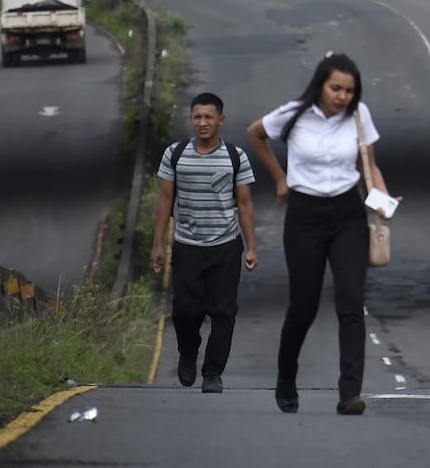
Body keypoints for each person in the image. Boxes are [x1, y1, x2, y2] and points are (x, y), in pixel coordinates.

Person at [246, 52, 397, 416]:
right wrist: (280, 179)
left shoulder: (359, 116)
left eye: (349, 90)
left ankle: (350, 393)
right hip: (305, 216)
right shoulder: (294, 114)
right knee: (303, 306)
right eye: (336, 88)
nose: (342, 96)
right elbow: (256, 134)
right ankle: (286, 376)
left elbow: (369, 164)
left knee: (350, 300)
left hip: (347, 214)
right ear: (320, 85)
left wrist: (382, 200)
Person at [150, 92, 257, 394]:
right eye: (197, 117)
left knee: (224, 312)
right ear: (191, 119)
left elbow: (245, 203)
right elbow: (166, 198)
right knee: (186, 310)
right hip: (187, 245)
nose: (202, 123)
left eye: (209, 117)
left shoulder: (236, 157)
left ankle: (213, 373)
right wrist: (157, 244)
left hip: (225, 246)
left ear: (221, 120)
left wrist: (251, 246)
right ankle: (188, 350)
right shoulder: (176, 153)